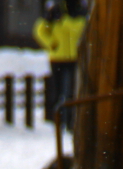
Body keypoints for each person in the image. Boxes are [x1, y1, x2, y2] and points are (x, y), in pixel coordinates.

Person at [33, 0, 85, 130]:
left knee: (71, 91)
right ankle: (56, 121)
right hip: (57, 58)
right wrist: (51, 44)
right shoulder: (55, 12)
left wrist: (63, 20)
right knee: (57, 91)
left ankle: (70, 121)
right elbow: (39, 30)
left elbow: (78, 29)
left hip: (74, 58)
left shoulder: (78, 12)